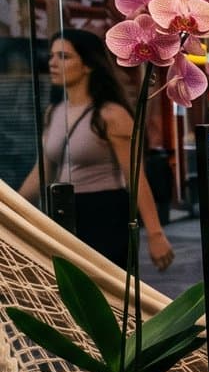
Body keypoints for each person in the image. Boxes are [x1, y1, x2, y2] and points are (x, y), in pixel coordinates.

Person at [18, 30, 172, 271]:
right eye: (51, 56)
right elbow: (42, 173)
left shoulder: (111, 115)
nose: (53, 63)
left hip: (104, 214)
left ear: (88, 65)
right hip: (63, 213)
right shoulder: (54, 112)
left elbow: (136, 178)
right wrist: (9, 207)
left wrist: (155, 234)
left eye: (64, 56)